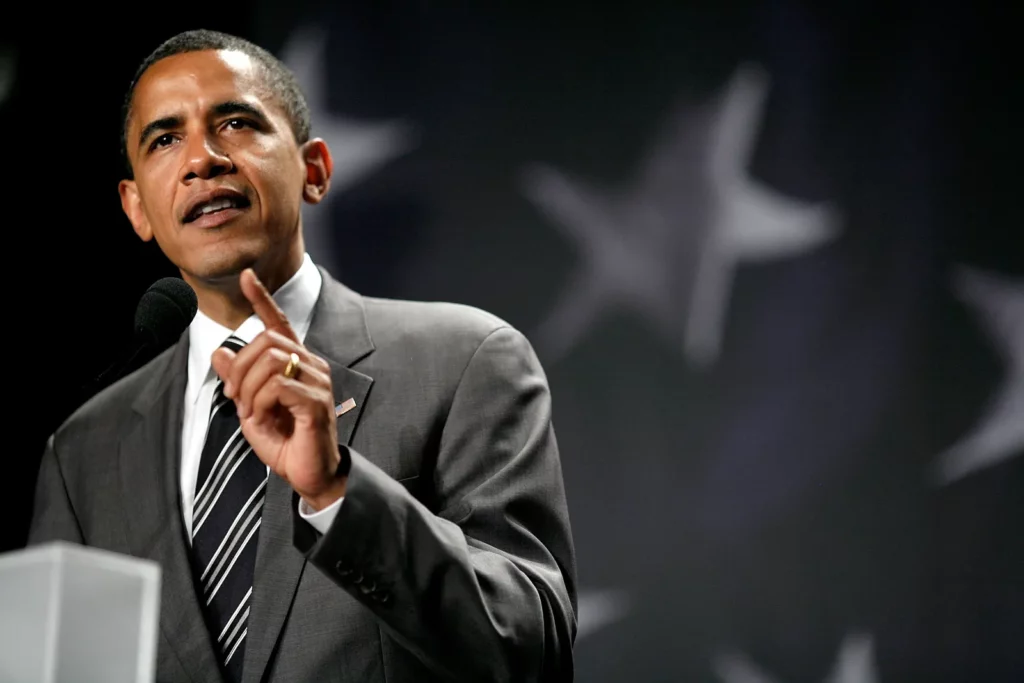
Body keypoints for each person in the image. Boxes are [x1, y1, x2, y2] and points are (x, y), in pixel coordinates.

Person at [28, 28, 577, 683]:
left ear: (314, 169)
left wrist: (336, 490)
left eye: (235, 123)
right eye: (165, 139)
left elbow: (534, 650)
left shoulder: (467, 361)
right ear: (137, 207)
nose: (201, 159)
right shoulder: (86, 447)